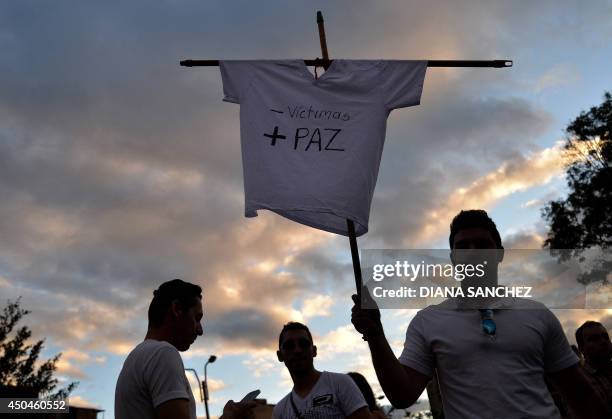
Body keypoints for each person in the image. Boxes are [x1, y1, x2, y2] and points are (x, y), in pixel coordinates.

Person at [351, 209, 609, 419]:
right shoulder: (428, 322)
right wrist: (376, 335)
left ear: (499, 253)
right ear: (452, 257)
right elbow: (402, 395)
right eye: (463, 246)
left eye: (482, 244)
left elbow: (580, 394)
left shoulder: (537, 314)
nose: (473, 251)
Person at [115, 279, 255, 419]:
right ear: (177, 309)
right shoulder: (162, 354)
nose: (200, 330)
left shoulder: (135, 358)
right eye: (196, 318)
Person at [273, 321, 372, 419]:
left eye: (303, 344)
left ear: (314, 351)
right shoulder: (280, 410)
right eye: (289, 346)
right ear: (280, 355)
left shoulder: (340, 383)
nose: (297, 350)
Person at [575, 321, 612, 415]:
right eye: (594, 339)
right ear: (581, 349)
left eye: (605, 337)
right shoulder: (579, 383)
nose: (603, 341)